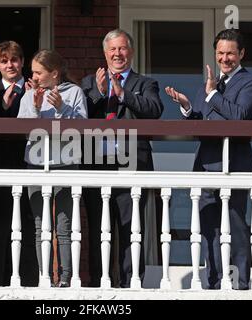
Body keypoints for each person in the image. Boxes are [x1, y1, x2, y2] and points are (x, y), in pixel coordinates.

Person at [165, 28, 252, 290]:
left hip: (235, 166)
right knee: (209, 229)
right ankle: (213, 283)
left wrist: (212, 95)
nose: (225, 58)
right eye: (220, 53)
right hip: (206, 166)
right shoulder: (209, 85)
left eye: (230, 53)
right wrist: (187, 107)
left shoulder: (251, 82)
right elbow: (202, 124)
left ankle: (241, 284)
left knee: (236, 229)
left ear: (241, 53)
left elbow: (240, 116)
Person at [81, 29, 164, 288]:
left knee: (131, 230)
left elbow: (154, 111)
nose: (118, 54)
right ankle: (99, 284)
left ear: (131, 51)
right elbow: (79, 116)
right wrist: (99, 92)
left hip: (132, 166)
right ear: (105, 54)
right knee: (98, 230)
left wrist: (122, 94)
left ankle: (132, 285)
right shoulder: (88, 83)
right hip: (96, 165)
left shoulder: (145, 83)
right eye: (112, 50)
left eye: (122, 48)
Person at [18, 49, 87, 287]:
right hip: (36, 164)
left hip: (66, 163)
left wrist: (61, 109)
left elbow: (81, 129)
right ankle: (45, 277)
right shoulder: (28, 96)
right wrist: (36, 109)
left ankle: (66, 278)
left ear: (54, 73)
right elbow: (24, 131)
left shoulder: (75, 92)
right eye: (33, 73)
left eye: (38, 72)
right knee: (40, 226)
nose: (34, 77)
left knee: (64, 225)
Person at [0, 40, 38, 286]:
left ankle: (28, 282)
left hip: (29, 166)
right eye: (4, 61)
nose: (10, 65)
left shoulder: (35, 89)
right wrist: (3, 107)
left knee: (29, 227)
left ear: (22, 62)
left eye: (15, 59)